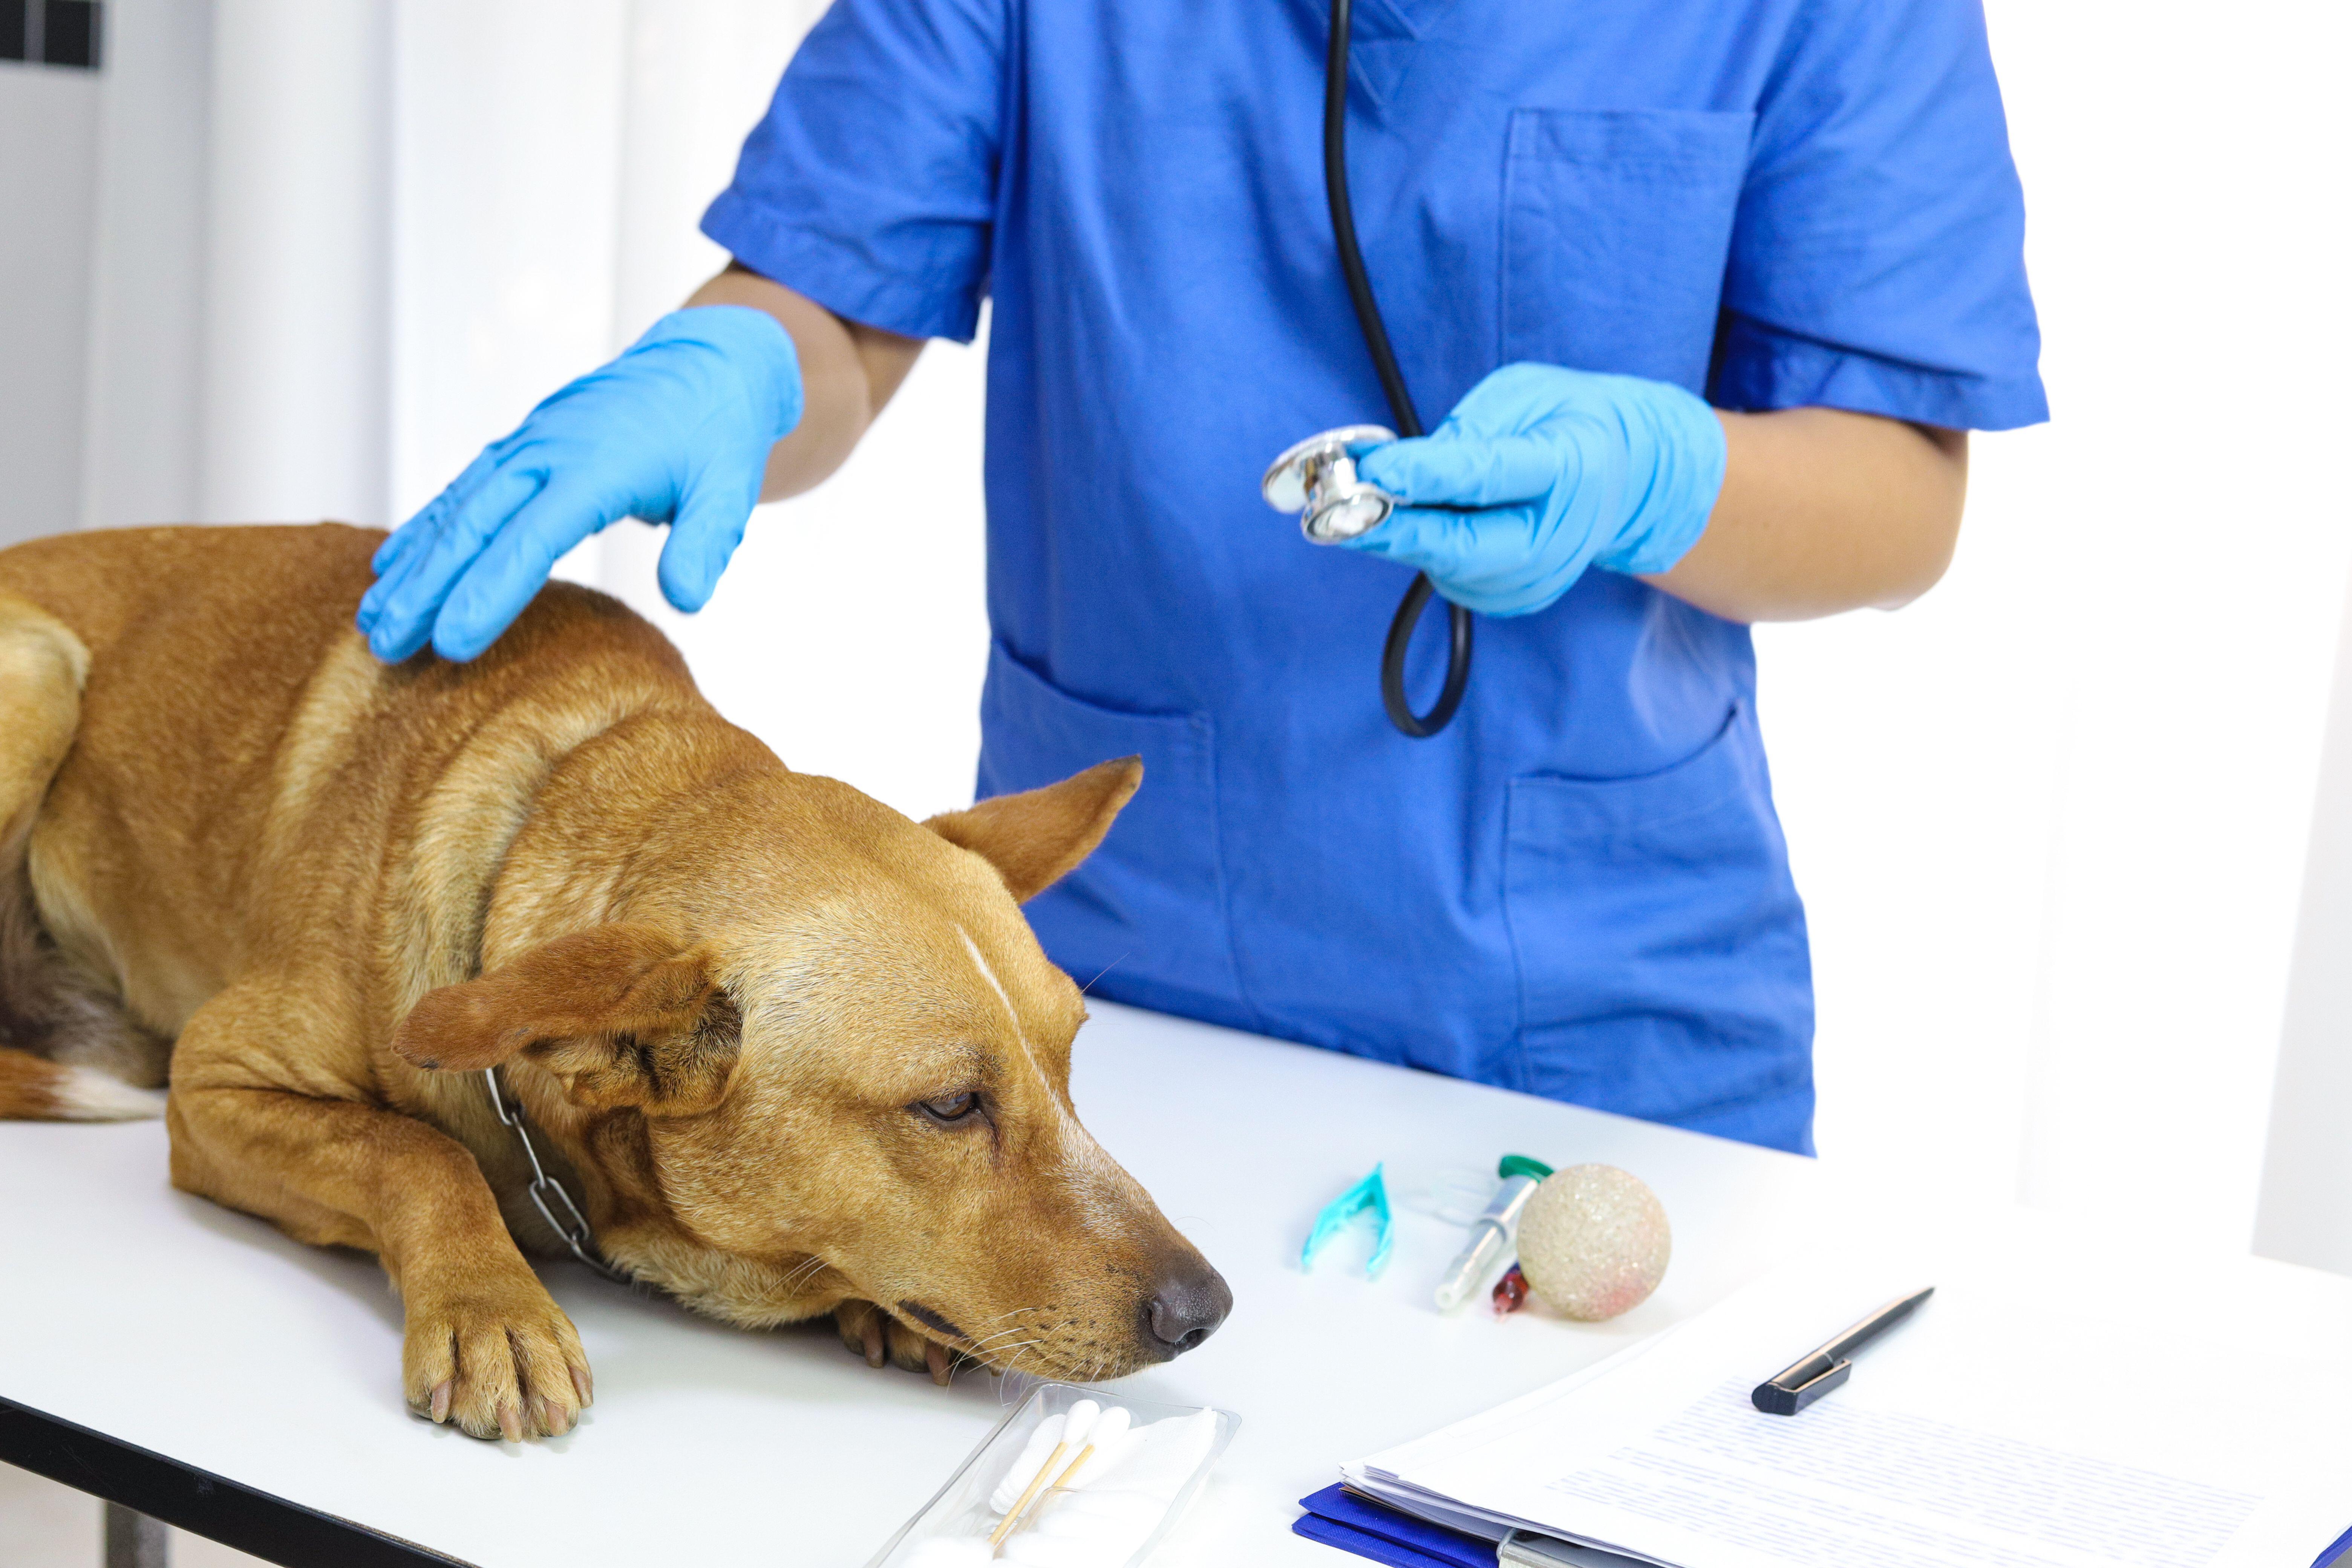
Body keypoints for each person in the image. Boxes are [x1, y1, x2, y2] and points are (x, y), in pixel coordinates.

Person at [357, 0, 2044, 1155]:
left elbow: (1903, 490)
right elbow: (837, 298)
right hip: (1090, 1010)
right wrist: (726, 369)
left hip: (1610, 1019)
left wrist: (1653, 481)